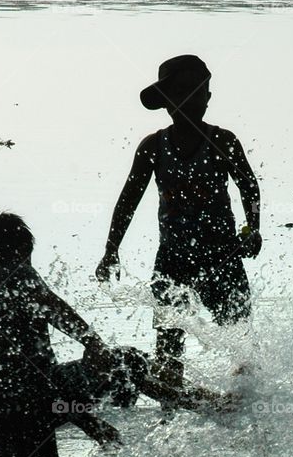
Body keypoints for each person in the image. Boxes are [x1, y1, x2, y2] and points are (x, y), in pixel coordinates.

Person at [0, 211, 232, 457]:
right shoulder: (15, 274)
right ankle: (209, 406)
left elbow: (31, 380)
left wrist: (87, 420)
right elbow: (51, 308)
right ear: (18, 252)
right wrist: (92, 344)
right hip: (28, 401)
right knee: (128, 362)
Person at [95, 55, 261, 386]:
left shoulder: (223, 141)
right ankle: (171, 407)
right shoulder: (153, 146)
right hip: (173, 260)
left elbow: (249, 186)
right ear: (166, 102)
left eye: (198, 92)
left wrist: (253, 229)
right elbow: (128, 199)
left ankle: (246, 403)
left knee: (240, 341)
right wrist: (111, 250)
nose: (190, 99)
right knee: (168, 347)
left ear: (208, 97)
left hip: (222, 256)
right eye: (181, 92)